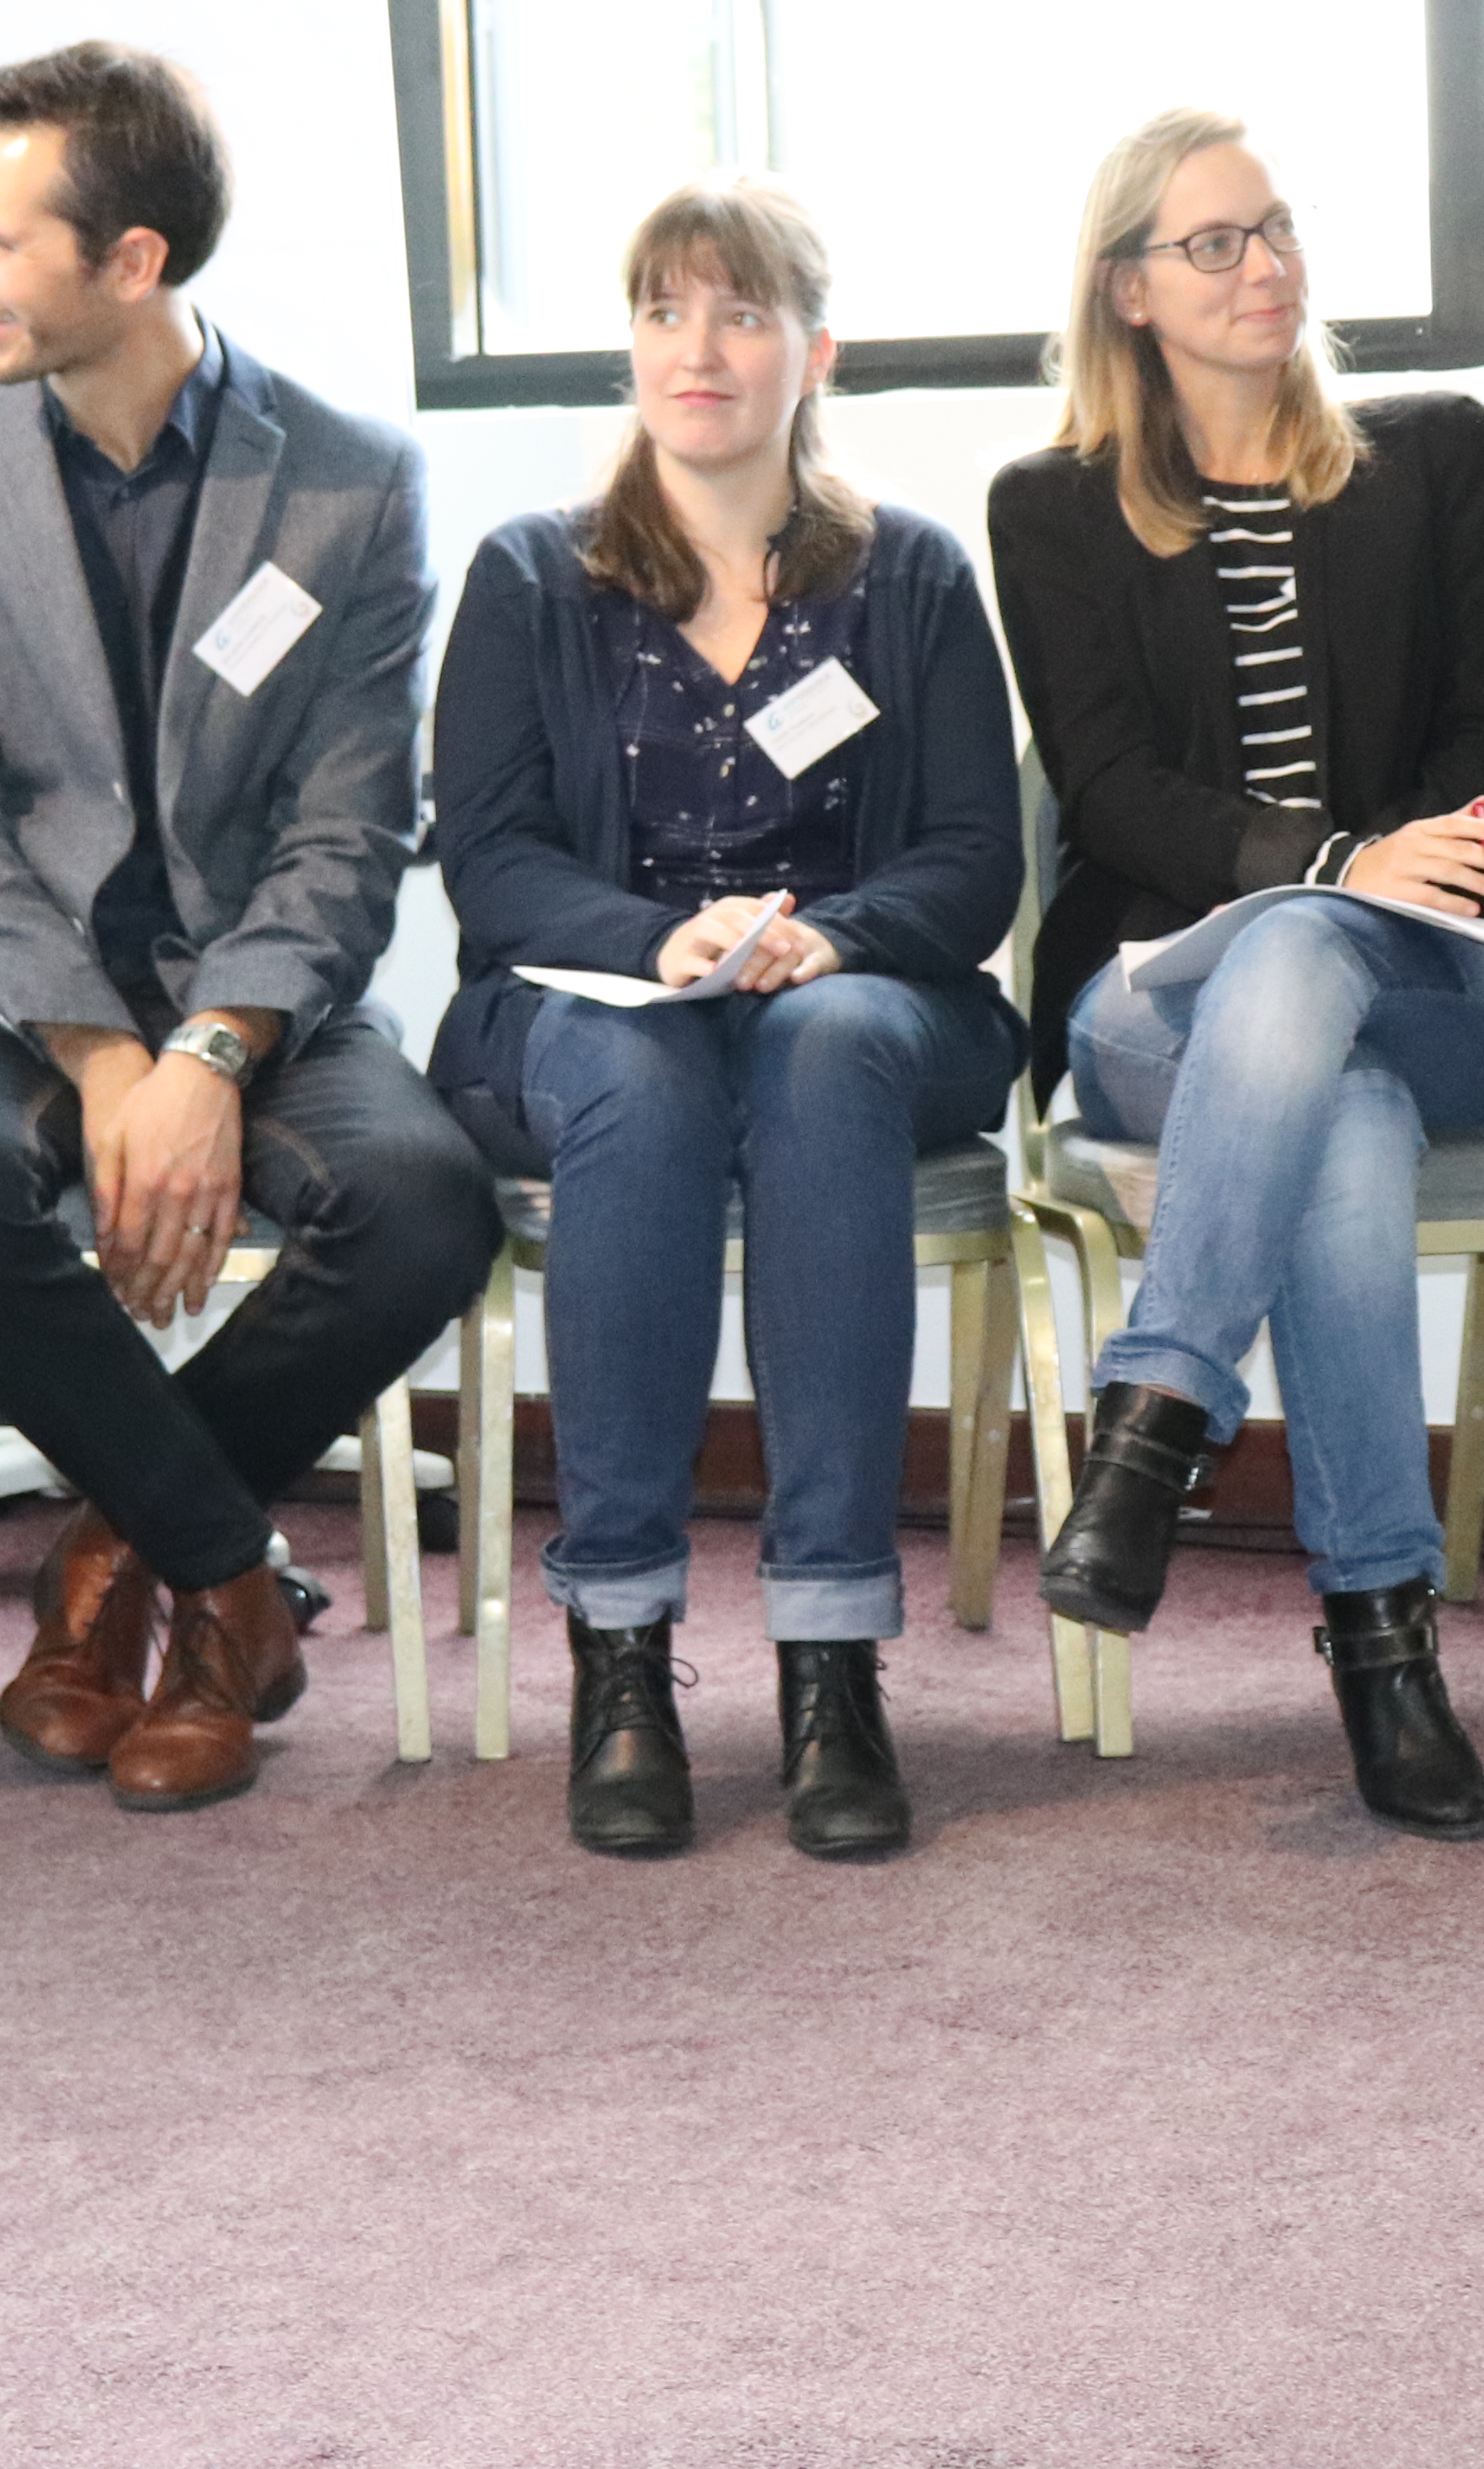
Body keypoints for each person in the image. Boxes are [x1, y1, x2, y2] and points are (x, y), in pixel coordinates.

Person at [0, 40, 502, 1814]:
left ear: (131, 263)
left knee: (427, 1204)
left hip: (250, 991)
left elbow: (350, 831)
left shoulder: (349, 481)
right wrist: (105, 1052)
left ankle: (110, 1562)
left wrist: (211, 1047)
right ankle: (227, 1581)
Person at [426, 178, 1023, 1863]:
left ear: (810, 351)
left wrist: (828, 939)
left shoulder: (910, 573)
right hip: (595, 1002)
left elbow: (978, 853)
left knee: (822, 1059)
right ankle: (623, 1652)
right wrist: (658, 934)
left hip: (857, 997)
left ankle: (833, 1657)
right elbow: (492, 860)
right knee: (640, 1065)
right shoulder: (533, 573)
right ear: (632, 345)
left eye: (744, 312)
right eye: (668, 310)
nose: (703, 348)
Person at [987, 109, 1484, 1838]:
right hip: (1162, 1001)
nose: (1267, 266)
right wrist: (1325, 867)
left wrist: (1373, 882)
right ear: (1128, 290)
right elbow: (1112, 792)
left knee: (1333, 981)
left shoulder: (1434, 451)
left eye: (1279, 229)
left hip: (1451, 976)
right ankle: (1383, 1639)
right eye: (1217, 241)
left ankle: (1154, 1420)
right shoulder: (1053, 509)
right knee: (1342, 1100)